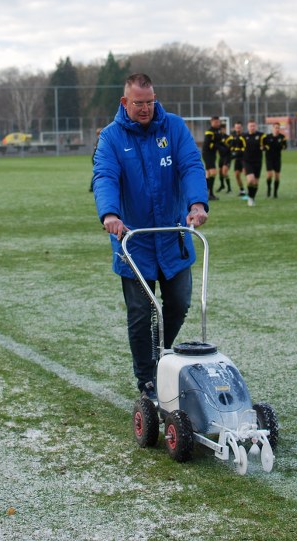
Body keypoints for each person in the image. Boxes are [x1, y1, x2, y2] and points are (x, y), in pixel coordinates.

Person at [92, 73, 209, 401]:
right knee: (142, 313)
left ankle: (162, 357)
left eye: (150, 101)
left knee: (179, 303)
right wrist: (110, 215)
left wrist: (197, 204)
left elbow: (190, 166)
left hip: (173, 236)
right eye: (138, 103)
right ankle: (146, 377)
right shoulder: (112, 138)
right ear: (124, 102)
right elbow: (105, 177)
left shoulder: (173, 127)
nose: (145, 108)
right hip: (134, 240)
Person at [201, 116, 227, 201]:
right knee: (213, 172)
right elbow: (209, 144)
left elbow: (219, 142)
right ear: (211, 122)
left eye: (218, 122)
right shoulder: (209, 132)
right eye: (215, 122)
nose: (217, 123)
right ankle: (210, 193)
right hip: (207, 153)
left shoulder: (219, 130)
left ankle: (206, 193)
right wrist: (219, 147)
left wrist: (224, 147)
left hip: (213, 154)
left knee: (208, 174)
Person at [241, 121, 266, 207]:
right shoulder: (243, 136)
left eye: (254, 126)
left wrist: (264, 147)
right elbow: (240, 150)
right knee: (251, 180)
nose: (252, 127)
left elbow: (266, 146)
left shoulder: (261, 136)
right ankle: (250, 198)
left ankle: (252, 197)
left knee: (255, 183)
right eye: (250, 126)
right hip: (247, 161)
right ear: (247, 127)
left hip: (258, 161)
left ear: (256, 126)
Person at [263, 122, 287, 198]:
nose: (277, 129)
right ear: (272, 128)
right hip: (269, 158)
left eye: (278, 128)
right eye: (275, 127)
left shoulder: (282, 137)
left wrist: (282, 146)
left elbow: (285, 146)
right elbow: (263, 146)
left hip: (277, 158)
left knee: (277, 177)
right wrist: (265, 147)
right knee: (269, 175)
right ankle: (269, 188)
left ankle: (275, 192)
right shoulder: (267, 137)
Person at [226, 121, 246, 196]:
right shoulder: (232, 136)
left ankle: (251, 189)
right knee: (237, 175)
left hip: (244, 158)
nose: (238, 129)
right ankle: (242, 190)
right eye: (237, 127)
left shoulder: (244, 136)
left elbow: (246, 147)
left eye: (239, 127)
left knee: (246, 173)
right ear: (234, 128)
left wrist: (239, 151)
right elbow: (227, 142)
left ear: (242, 128)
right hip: (237, 159)